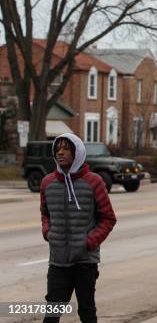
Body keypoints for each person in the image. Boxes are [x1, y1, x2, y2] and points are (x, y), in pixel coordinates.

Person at [40, 133, 117, 322]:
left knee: (87, 312)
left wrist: (89, 241)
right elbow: (45, 213)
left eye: (66, 148)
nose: (61, 152)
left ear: (78, 153)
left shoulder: (94, 181)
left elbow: (108, 218)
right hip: (58, 261)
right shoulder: (47, 183)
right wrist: (48, 232)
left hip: (85, 261)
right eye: (58, 149)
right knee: (52, 314)